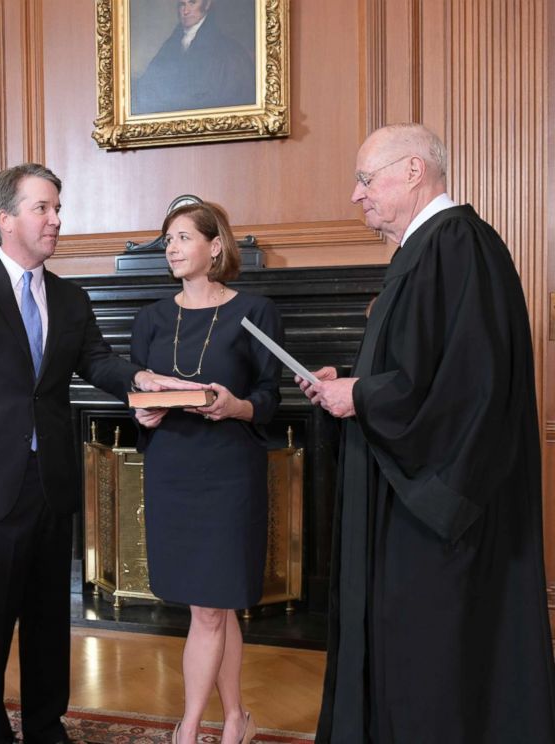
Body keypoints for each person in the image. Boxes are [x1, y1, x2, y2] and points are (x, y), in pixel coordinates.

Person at [0, 165, 197, 744]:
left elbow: (97, 361)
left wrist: (141, 380)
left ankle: (45, 725)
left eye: (58, 207)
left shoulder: (70, 295)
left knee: (49, 617)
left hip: (50, 478)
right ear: (5, 218)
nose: (57, 219)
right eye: (44, 208)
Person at [299, 123, 555, 743]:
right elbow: (421, 369)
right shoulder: (429, 249)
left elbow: (467, 387)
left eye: (366, 179)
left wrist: (359, 394)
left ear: (413, 171)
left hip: (439, 517)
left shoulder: (457, 244)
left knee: (432, 660)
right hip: (409, 498)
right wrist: (356, 383)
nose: (357, 196)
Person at [131, 201, 282, 744]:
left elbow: (271, 397)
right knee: (214, 606)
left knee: (211, 610)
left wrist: (234, 405)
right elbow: (141, 397)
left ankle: (190, 730)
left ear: (216, 246)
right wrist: (143, 412)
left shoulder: (255, 311)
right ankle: (236, 718)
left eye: (182, 237)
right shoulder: (149, 318)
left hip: (228, 473)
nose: (170, 248)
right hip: (172, 469)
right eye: (167, 239)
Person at [132, 0, 255, 115]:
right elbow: (149, 84)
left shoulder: (228, 52)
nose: (185, 11)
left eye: (192, 3)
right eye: (182, 4)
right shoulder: (172, 44)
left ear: (207, 4)